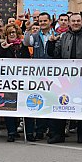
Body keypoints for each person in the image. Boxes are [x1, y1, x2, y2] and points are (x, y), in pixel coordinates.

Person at [47, 12, 82, 144]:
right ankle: (59, 134)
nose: (76, 23)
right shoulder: (63, 37)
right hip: (65, 78)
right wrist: (50, 43)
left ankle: (81, 134)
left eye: (78, 21)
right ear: (69, 23)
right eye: (73, 21)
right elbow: (54, 54)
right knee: (61, 104)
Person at [23, 12, 56, 140]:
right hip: (38, 74)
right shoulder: (35, 35)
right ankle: (40, 130)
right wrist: (27, 30)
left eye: (44, 21)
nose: (42, 23)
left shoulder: (56, 35)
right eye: (40, 21)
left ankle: (51, 130)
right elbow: (26, 43)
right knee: (40, 100)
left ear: (49, 22)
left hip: (54, 74)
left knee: (51, 101)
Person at [0, 23, 30, 142]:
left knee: (24, 104)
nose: (12, 35)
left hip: (22, 80)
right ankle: (11, 131)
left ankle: (28, 132)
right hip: (8, 81)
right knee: (9, 106)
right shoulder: (2, 45)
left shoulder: (22, 45)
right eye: (9, 33)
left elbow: (27, 59)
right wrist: (4, 49)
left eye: (13, 32)